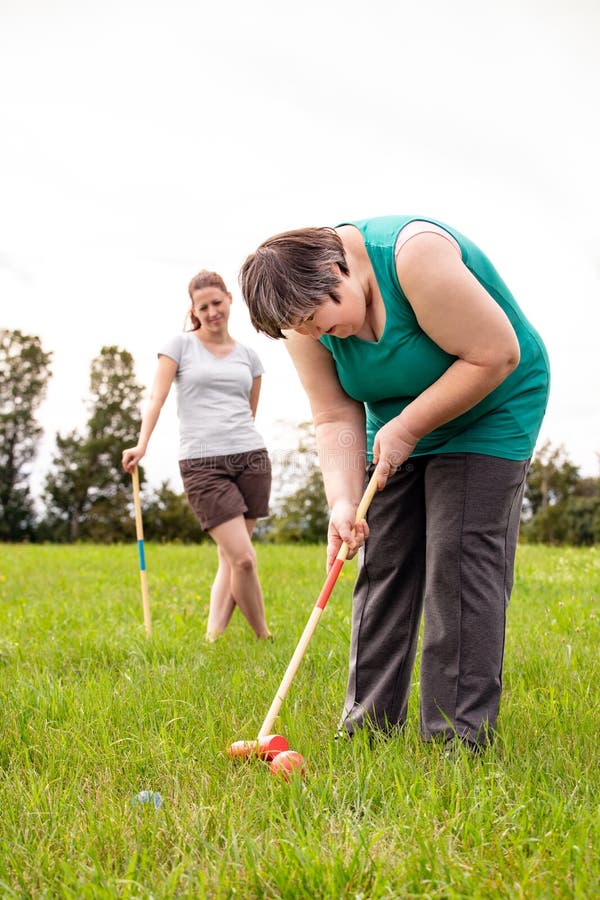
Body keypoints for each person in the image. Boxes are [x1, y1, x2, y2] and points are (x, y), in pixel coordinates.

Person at [239, 215, 550, 751]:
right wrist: (341, 501)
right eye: (303, 328)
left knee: (459, 559)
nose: (317, 335)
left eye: (319, 318)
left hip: (491, 405)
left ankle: (456, 741)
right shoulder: (301, 320)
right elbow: (335, 414)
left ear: (339, 268)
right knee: (380, 557)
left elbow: (495, 353)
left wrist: (407, 426)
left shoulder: (414, 257)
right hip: (396, 423)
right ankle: (367, 729)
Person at [122, 270, 272, 642]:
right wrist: (142, 444)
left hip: (250, 458)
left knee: (229, 558)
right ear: (194, 310)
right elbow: (155, 399)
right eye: (203, 307)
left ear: (229, 300)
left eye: (217, 303)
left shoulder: (250, 357)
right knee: (243, 559)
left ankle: (212, 638)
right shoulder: (180, 346)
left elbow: (248, 411)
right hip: (203, 465)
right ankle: (264, 638)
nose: (211, 312)